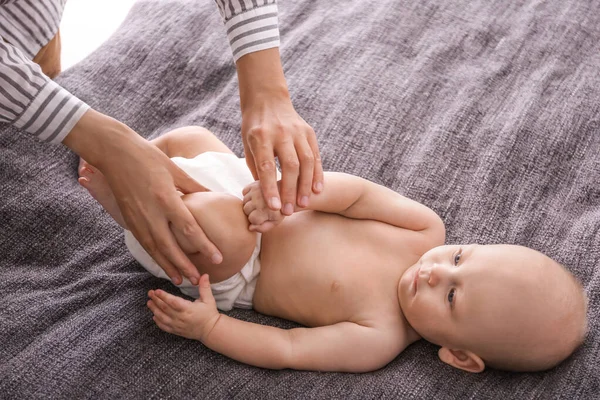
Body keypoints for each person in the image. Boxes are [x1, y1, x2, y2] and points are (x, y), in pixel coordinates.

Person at [77, 125, 588, 373]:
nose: (436, 273)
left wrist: (210, 328)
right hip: (261, 196)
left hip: (233, 263)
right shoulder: (424, 231)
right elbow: (357, 194)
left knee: (219, 225)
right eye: (460, 259)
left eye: (452, 298)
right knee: (192, 137)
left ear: (458, 356)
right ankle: (145, 162)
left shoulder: (377, 339)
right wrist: (288, 195)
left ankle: (124, 196)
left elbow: (286, 350)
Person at [0, 0, 323, 287]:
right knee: (192, 141)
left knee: (204, 228)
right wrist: (294, 198)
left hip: (245, 267)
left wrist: (266, 89)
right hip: (254, 204)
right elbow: (365, 197)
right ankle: (138, 176)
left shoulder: (374, 332)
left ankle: (133, 198)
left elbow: (291, 348)